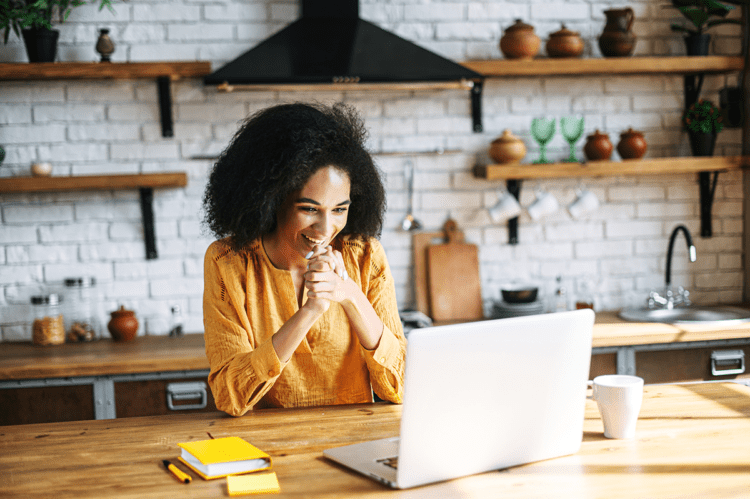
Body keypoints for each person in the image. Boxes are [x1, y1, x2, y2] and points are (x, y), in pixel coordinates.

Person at [201, 102, 406, 416]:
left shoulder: (365, 255)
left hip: (353, 446)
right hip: (269, 451)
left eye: (339, 209)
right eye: (309, 209)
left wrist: (351, 295)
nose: (326, 229)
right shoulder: (229, 262)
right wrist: (310, 311)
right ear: (270, 200)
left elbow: (401, 386)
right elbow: (231, 396)